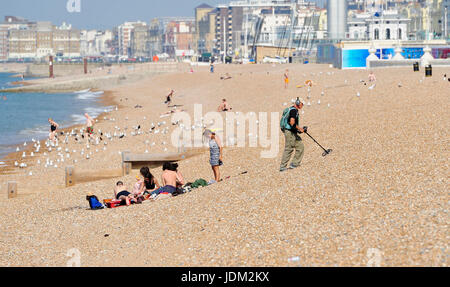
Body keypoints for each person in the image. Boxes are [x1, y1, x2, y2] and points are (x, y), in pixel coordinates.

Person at [280, 97, 307, 172]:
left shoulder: (292, 109)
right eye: (302, 104)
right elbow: (292, 122)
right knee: (289, 148)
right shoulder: (293, 111)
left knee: (300, 146)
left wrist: (298, 130)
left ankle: (295, 164)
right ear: (298, 103)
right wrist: (299, 129)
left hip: (292, 131)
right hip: (289, 132)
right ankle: (282, 167)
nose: (302, 105)